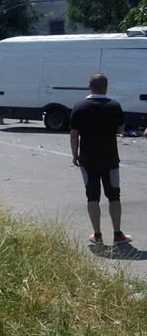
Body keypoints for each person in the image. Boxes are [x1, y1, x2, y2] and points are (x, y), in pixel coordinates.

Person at [69, 73, 131, 245]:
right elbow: (120, 128)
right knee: (114, 195)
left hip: (87, 160)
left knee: (92, 196)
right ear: (106, 87)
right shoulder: (114, 106)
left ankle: (97, 236)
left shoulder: (79, 107)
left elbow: (74, 135)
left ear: (89, 86)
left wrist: (75, 155)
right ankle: (118, 235)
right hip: (110, 158)